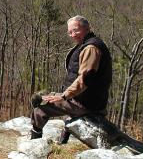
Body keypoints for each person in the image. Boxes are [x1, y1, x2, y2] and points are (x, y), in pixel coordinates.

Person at [30, 15, 112, 143]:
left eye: (75, 30)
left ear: (87, 28)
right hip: (85, 99)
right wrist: (64, 95)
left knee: (40, 107)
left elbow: (85, 79)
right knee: (48, 97)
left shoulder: (91, 48)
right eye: (70, 32)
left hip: (85, 103)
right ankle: (62, 141)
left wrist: (64, 96)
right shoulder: (87, 44)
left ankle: (33, 144)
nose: (73, 34)